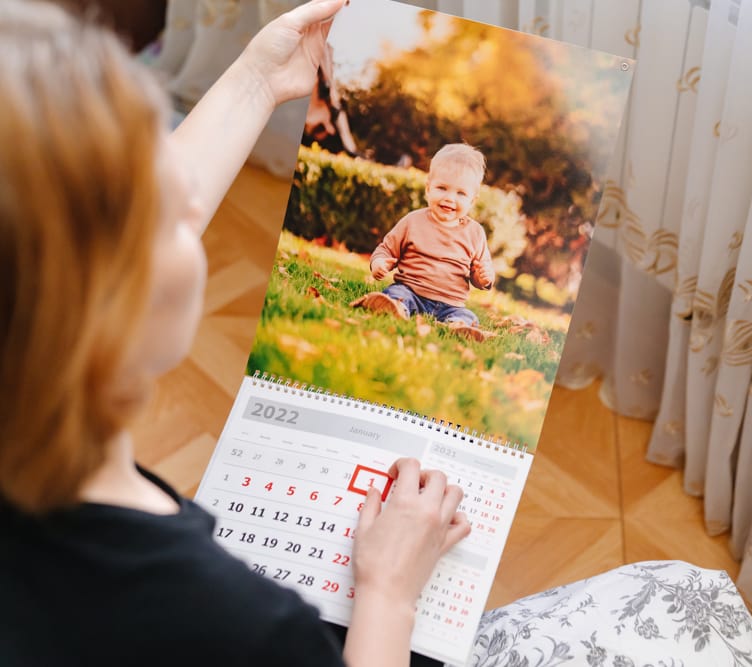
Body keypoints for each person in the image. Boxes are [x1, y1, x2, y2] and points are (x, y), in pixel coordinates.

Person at [0, 2, 468, 666]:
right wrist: (390, 592)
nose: (191, 201)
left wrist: (256, 78)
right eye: (156, 214)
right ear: (98, 320)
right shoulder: (233, 622)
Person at [351, 144, 497, 342]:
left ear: (472, 201)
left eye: (461, 193)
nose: (449, 198)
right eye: (442, 188)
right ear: (428, 189)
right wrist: (379, 263)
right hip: (411, 291)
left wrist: (484, 277)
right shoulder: (412, 221)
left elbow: (480, 276)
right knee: (397, 294)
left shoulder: (475, 233)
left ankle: (456, 326)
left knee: (468, 316)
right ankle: (395, 308)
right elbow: (385, 249)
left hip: (451, 304)